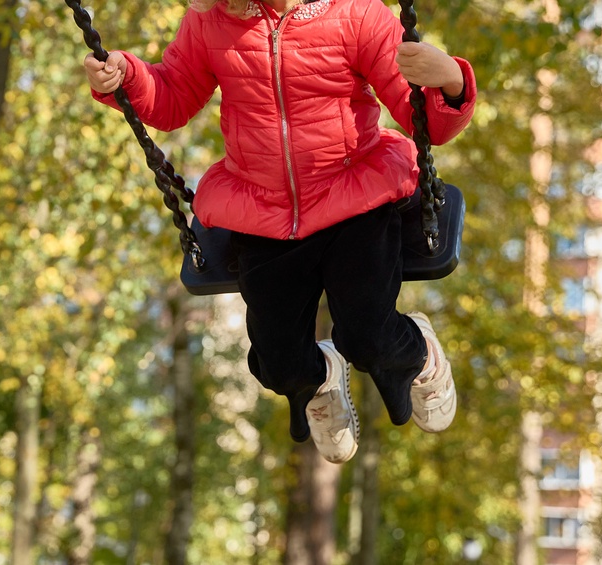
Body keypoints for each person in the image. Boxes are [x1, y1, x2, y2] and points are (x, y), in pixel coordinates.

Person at [83, 0, 474, 463]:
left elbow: (421, 120)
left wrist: (449, 80)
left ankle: (421, 357)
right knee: (278, 363)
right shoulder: (212, 22)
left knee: (369, 336)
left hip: (355, 196)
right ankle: (321, 379)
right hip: (263, 210)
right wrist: (126, 77)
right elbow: (172, 97)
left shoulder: (358, 14)